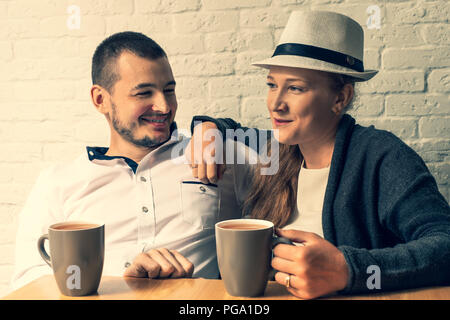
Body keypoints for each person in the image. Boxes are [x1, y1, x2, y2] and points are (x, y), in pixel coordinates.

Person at [189, 10, 450, 299]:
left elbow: (444, 245)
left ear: (341, 98)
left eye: (295, 88)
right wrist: (207, 129)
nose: (276, 103)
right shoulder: (275, 149)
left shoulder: (382, 156)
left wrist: (348, 270)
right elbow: (227, 128)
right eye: (272, 84)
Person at [11, 32, 252, 290]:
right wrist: (120, 282)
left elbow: (285, 145)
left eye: (169, 91)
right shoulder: (58, 182)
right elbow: (27, 281)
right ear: (101, 100)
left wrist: (216, 125)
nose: (163, 106)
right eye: (144, 93)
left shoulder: (210, 153)